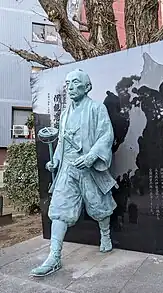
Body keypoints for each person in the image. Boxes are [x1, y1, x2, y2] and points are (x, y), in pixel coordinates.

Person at [30, 68, 117, 277]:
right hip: (68, 169)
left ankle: (105, 235)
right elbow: (62, 141)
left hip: (88, 167)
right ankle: (54, 256)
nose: (69, 87)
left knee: (99, 205)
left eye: (75, 82)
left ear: (87, 87)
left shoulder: (96, 109)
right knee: (60, 209)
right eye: (67, 83)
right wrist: (56, 161)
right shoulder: (65, 114)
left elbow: (106, 135)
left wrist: (90, 157)